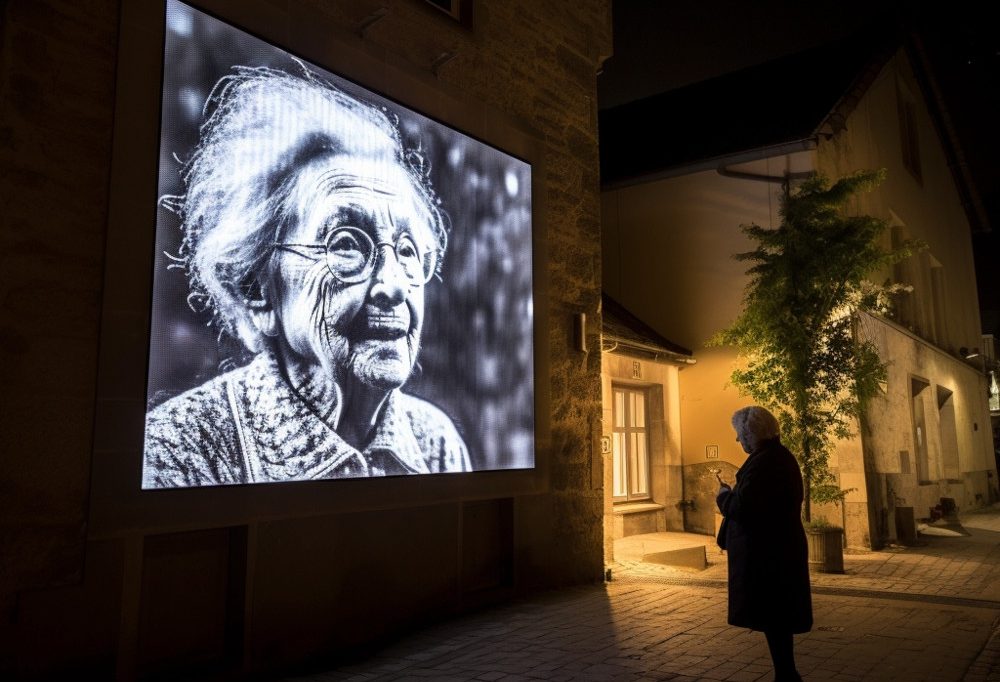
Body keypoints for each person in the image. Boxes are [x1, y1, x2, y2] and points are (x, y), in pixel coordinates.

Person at [142, 65, 471, 488]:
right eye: (347, 245)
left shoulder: (437, 443)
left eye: (407, 251)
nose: (393, 285)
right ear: (256, 289)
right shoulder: (177, 452)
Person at [716, 406, 812, 681]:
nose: (738, 440)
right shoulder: (777, 458)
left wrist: (723, 496)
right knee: (777, 617)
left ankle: (787, 674)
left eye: (739, 434)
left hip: (770, 555)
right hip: (778, 550)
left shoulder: (764, 463)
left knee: (775, 616)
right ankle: (786, 672)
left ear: (751, 434)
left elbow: (744, 507)